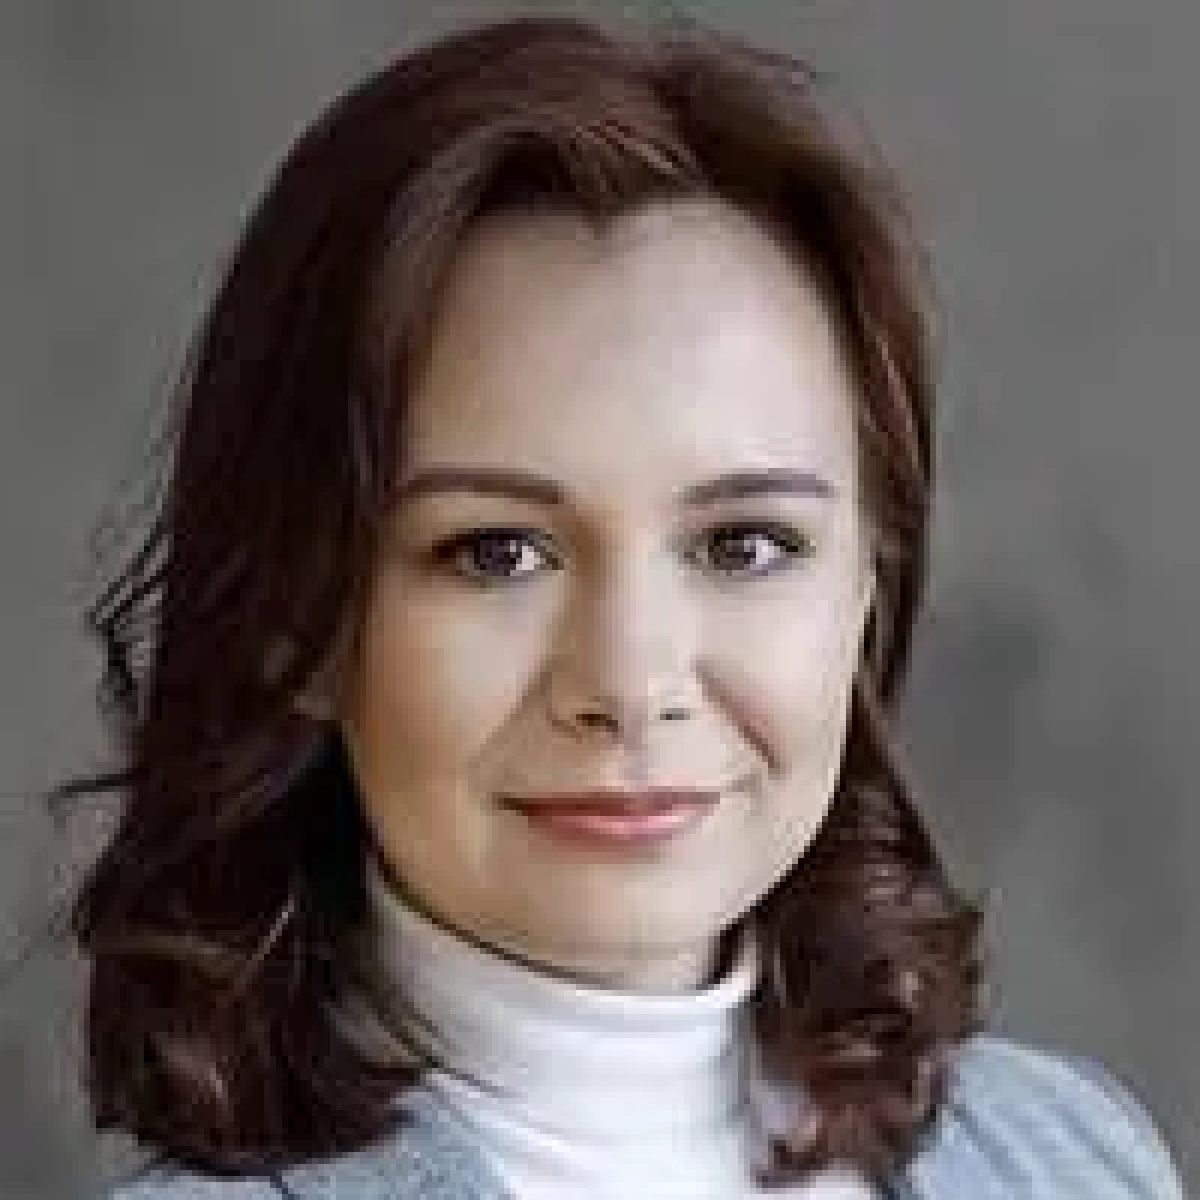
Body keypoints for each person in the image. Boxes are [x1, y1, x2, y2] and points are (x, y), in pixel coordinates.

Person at [65, 14, 1183, 1199]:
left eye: (744, 545)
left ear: (867, 582)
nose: (632, 683)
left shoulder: (1076, 1157)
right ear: (301, 623)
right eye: (498, 553)